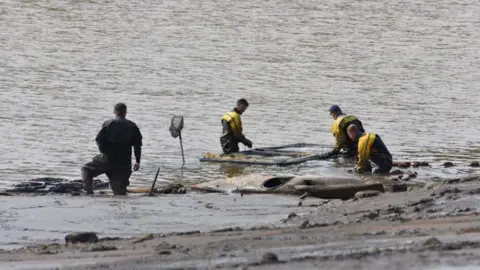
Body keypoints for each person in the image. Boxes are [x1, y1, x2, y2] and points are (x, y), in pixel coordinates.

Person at [81, 103, 143, 195]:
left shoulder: (108, 123)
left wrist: (103, 151)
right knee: (119, 191)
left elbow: (99, 139)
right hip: (124, 163)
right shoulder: (132, 126)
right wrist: (137, 161)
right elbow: (137, 145)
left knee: (86, 169)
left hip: (107, 158)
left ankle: (88, 192)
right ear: (125, 112)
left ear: (115, 112)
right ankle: (119, 192)